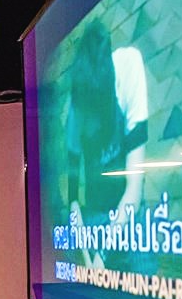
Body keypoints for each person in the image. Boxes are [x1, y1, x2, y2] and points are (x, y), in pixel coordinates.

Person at [59, 18, 149, 268]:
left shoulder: (129, 69)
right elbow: (74, 200)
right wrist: (85, 252)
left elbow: (134, 189)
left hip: (128, 207)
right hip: (96, 211)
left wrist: (102, 256)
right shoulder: (77, 105)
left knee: (141, 272)